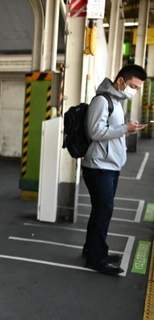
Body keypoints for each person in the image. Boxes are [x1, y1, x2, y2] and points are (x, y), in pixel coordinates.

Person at [82, 64, 147, 275]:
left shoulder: (117, 101)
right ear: (120, 81)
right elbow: (94, 132)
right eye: (133, 86)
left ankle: (92, 250)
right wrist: (124, 128)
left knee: (101, 211)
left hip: (110, 165)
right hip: (99, 166)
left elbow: (111, 130)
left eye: (137, 88)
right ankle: (96, 258)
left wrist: (127, 127)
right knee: (103, 211)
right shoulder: (102, 101)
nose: (134, 91)